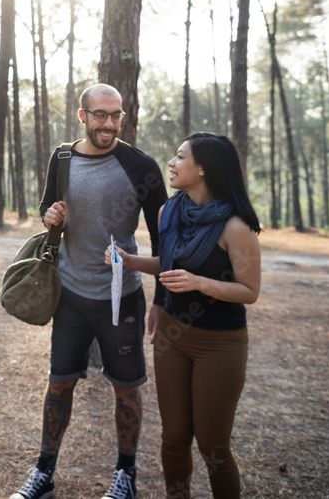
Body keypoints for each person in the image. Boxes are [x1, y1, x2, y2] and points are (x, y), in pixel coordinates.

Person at [11, 83, 168, 499]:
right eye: (100, 115)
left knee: (126, 387)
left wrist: (164, 300)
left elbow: (164, 240)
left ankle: (125, 476)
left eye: (116, 116)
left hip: (122, 299)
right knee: (59, 383)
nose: (109, 124)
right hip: (71, 295)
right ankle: (43, 474)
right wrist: (50, 218)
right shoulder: (62, 157)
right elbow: (48, 211)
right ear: (83, 116)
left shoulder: (142, 166)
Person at [107, 132, 261, 499]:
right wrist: (131, 261)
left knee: (212, 446)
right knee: (174, 438)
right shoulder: (169, 211)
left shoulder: (236, 227)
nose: (171, 164)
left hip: (219, 344)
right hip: (172, 338)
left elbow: (249, 292)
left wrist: (200, 283)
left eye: (180, 157)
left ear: (204, 168)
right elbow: (170, 264)